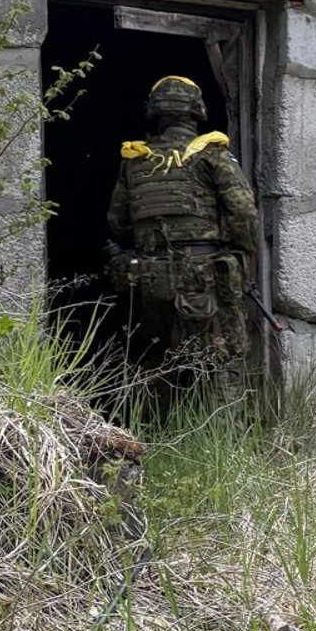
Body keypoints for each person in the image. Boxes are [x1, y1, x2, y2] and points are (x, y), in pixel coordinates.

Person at [104, 74, 261, 407]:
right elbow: (244, 212)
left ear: (155, 111)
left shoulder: (134, 161)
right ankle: (228, 441)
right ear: (197, 110)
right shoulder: (211, 156)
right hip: (204, 278)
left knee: (157, 360)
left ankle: (154, 438)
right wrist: (243, 257)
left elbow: (117, 223)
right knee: (222, 358)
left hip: (149, 279)